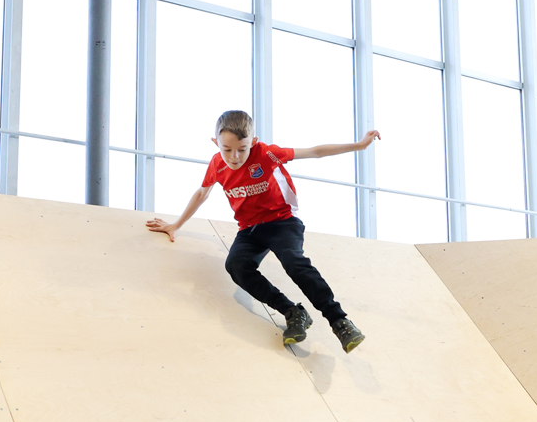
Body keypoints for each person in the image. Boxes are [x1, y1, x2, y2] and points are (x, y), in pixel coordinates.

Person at [146, 109, 381, 352]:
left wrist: (360, 145)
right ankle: (293, 312)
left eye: (242, 149)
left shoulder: (267, 153)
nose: (234, 157)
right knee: (236, 266)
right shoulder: (217, 165)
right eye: (226, 149)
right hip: (249, 230)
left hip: (282, 222)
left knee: (293, 261)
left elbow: (314, 152)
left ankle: (339, 320)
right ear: (216, 142)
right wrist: (175, 225)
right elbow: (202, 193)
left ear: (253, 142)